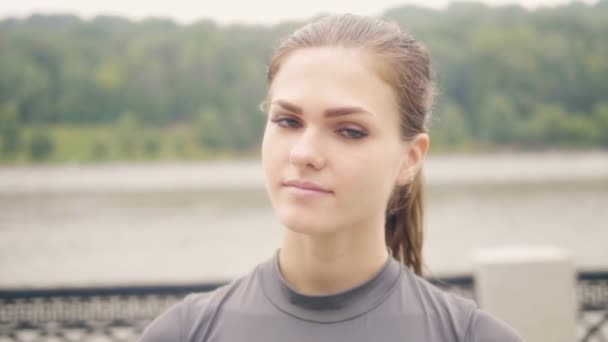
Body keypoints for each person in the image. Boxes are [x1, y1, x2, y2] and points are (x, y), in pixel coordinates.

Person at [138, 14, 523, 342]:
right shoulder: (184, 333)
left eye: (349, 131)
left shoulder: (471, 336)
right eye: (288, 121)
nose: (304, 153)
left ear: (409, 158)